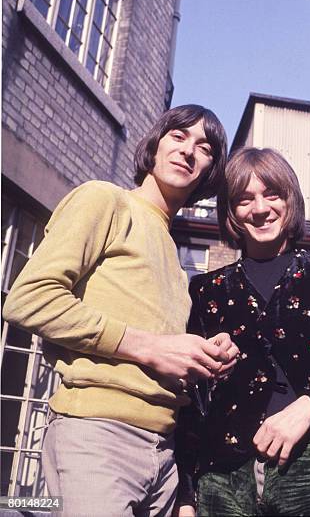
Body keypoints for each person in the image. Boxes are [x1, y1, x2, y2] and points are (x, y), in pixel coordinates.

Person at [3, 104, 239, 516]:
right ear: (156, 143)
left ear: (211, 171)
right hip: (99, 438)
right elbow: (29, 298)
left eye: (204, 148)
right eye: (179, 136)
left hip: (163, 454)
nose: (188, 151)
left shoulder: (171, 251)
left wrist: (204, 355)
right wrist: (150, 347)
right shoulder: (105, 200)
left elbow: (157, 349)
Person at [174, 147, 310, 516]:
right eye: (244, 199)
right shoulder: (207, 290)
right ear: (230, 211)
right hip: (222, 477)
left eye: (271, 194)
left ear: (291, 199)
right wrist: (187, 493)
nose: (260, 209)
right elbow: (192, 401)